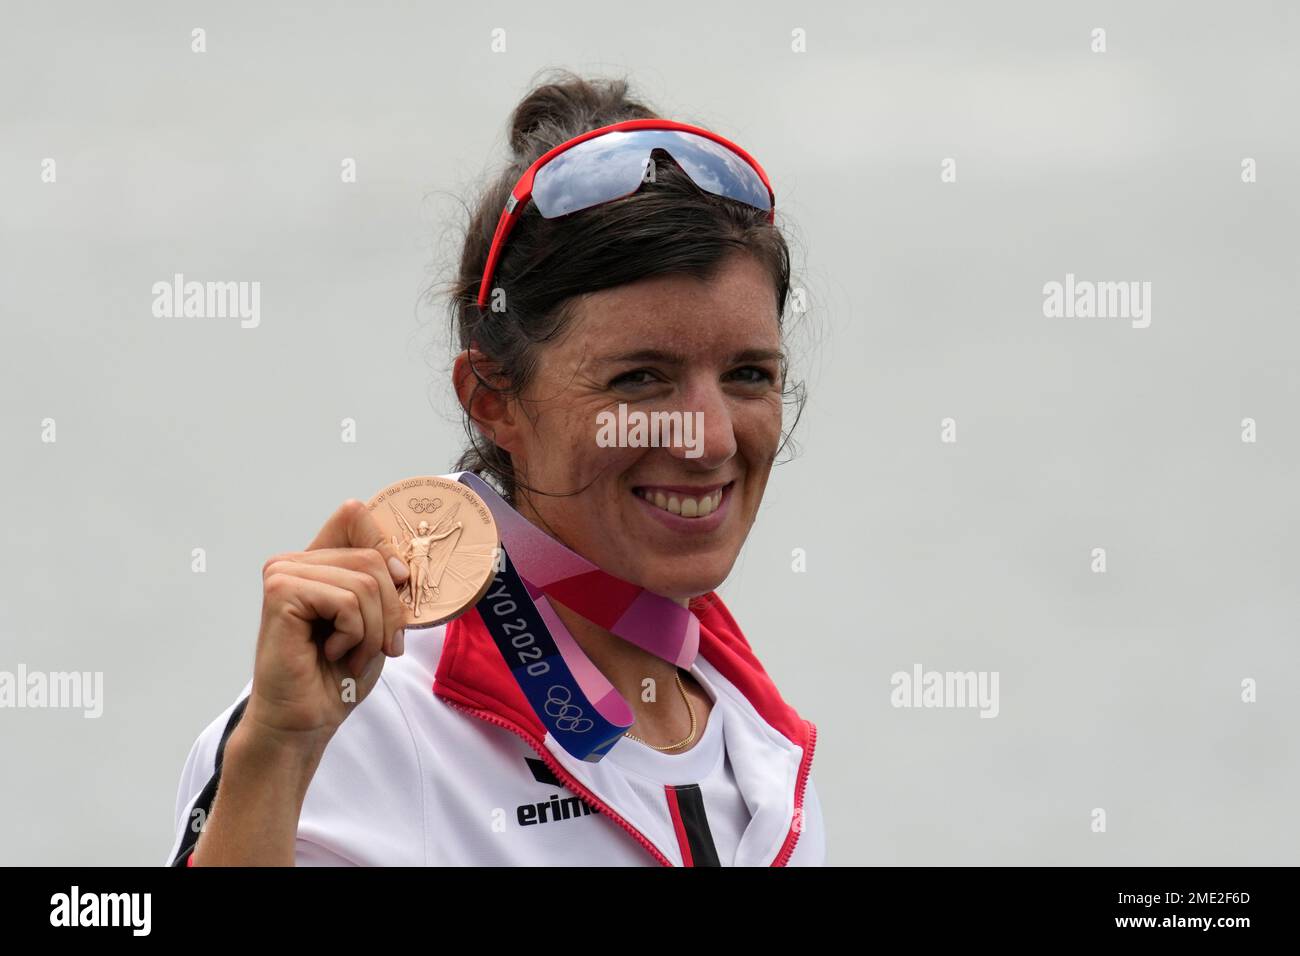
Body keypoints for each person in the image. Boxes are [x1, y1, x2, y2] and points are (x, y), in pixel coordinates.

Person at [167, 70, 825, 867]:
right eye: (638, 379)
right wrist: (275, 754)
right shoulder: (357, 720)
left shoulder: (753, 732)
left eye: (748, 374)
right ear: (492, 398)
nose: (710, 438)